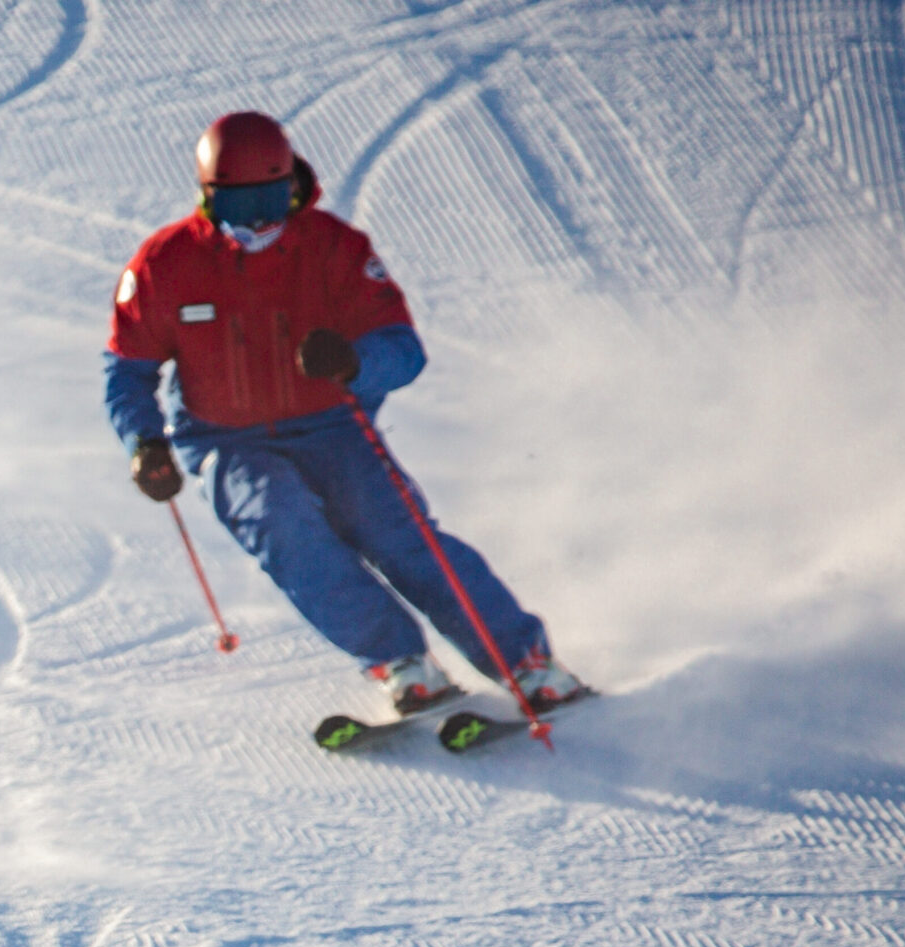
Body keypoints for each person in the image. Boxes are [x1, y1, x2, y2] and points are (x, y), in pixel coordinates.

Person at [104, 110, 586, 717]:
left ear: (291, 185)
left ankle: (526, 664)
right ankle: (402, 662)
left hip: (334, 427)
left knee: (397, 534)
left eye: (270, 197)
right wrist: (144, 443)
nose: (256, 218)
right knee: (287, 533)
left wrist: (354, 362)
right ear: (207, 195)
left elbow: (404, 350)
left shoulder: (332, 247)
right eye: (237, 201)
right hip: (227, 441)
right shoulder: (165, 264)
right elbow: (127, 370)